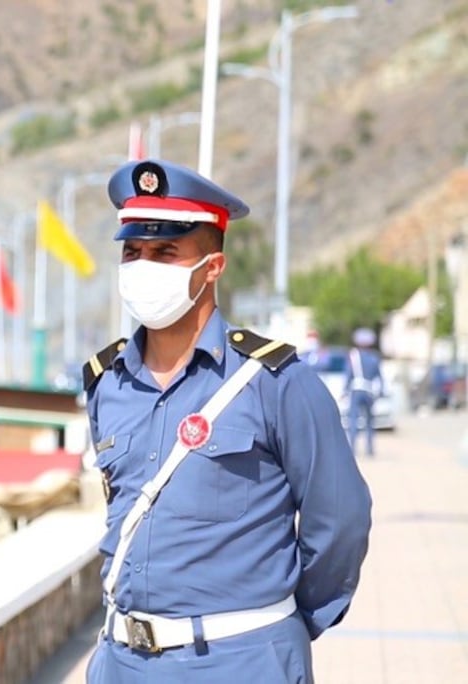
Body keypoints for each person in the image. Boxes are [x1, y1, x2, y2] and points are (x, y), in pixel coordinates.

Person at [81, 160, 372, 682]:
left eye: (165, 252)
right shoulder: (108, 384)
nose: (143, 264)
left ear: (213, 266)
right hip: (122, 661)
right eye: (133, 252)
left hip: (240, 660)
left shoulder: (277, 382)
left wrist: (281, 623)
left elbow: (341, 521)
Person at [345, 327, 384, 458]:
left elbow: (349, 375)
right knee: (369, 421)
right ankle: (370, 449)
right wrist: (381, 391)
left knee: (353, 420)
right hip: (369, 391)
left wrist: (344, 390)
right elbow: (379, 376)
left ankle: (353, 448)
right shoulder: (374, 358)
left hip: (356, 390)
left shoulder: (353, 357)